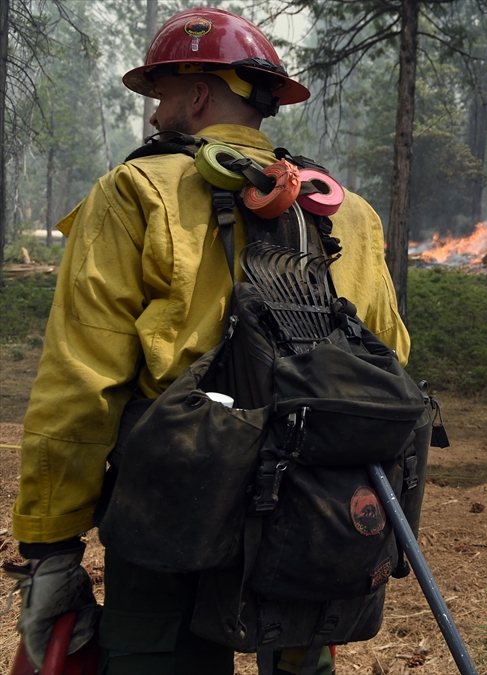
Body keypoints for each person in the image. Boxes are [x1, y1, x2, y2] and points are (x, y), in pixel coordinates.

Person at [6, 8, 408, 674]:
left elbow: (82, 382)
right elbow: (389, 358)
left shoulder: (134, 191)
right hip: (316, 510)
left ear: (196, 93)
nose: (158, 113)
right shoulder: (349, 215)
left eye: (163, 94)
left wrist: (50, 547)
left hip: (173, 505)